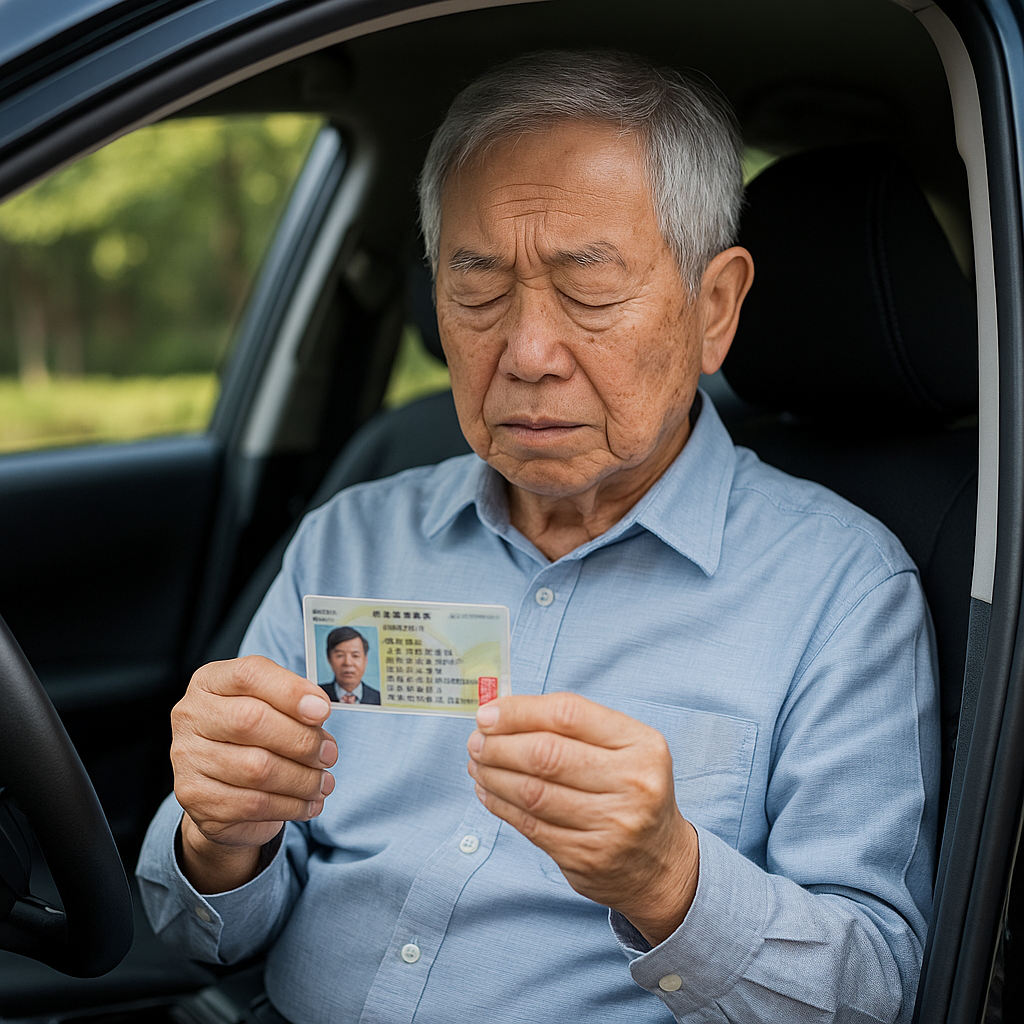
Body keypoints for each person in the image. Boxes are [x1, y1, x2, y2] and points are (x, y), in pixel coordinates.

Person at [137, 50, 938, 1023]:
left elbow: (879, 992)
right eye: (478, 289)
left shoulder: (841, 587)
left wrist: (670, 880)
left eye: (587, 289)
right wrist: (221, 840)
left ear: (714, 306)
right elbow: (191, 928)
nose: (526, 354)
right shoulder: (349, 538)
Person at [319, 627, 380, 705]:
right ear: (329, 659)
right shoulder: (318, 694)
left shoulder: (379, 699)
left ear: (365, 660)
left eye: (355, 656)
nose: (347, 663)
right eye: (340, 655)